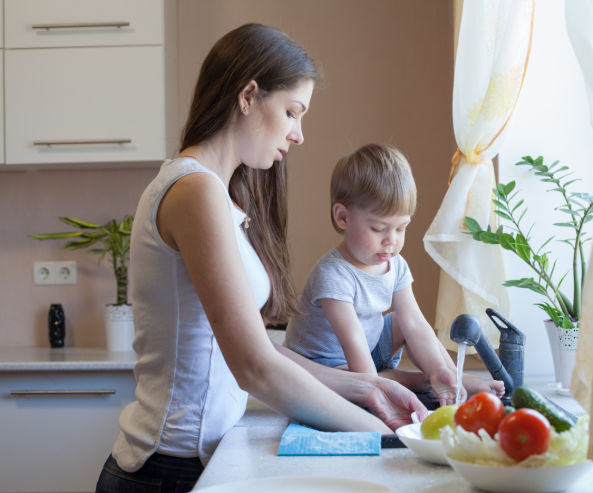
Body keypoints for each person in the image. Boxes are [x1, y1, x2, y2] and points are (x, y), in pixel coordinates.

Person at [95, 24, 426, 493]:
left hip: (188, 462)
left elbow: (260, 347)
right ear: (248, 95)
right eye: (292, 112)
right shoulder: (194, 192)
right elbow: (252, 367)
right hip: (164, 472)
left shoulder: (216, 196)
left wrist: (366, 388)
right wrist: (390, 437)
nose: (299, 134)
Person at [284, 144, 505, 407]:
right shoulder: (333, 274)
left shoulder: (396, 265)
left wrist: (437, 367)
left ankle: (448, 377)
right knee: (338, 385)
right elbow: (352, 338)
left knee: (404, 322)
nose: (392, 241)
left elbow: (414, 323)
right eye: (379, 229)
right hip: (331, 365)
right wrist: (372, 386)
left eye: (401, 229)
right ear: (343, 218)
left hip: (370, 350)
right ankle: (408, 381)